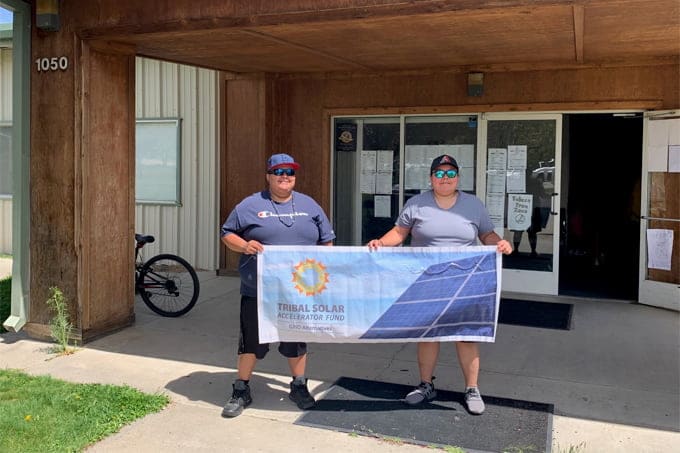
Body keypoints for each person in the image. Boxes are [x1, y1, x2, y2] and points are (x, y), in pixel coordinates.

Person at [367, 154, 513, 415]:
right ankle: (425, 385)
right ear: (431, 177)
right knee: (428, 335)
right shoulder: (417, 203)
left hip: (465, 280)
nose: (445, 179)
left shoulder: (473, 205)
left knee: (467, 336)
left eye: (450, 174)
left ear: (458, 177)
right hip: (427, 281)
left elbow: (486, 234)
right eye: (440, 173)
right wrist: (381, 241)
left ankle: (471, 388)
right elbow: (400, 233)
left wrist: (500, 243)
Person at [220, 153, 335, 418]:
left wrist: (323, 274)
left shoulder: (310, 205)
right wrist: (245, 245)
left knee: (296, 341)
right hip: (258, 289)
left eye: (290, 172)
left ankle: (298, 385)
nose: (285, 176)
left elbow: (326, 242)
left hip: (299, 291)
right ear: (268, 176)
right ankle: (241, 388)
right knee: (251, 341)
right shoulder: (249, 205)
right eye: (279, 171)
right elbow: (227, 233)